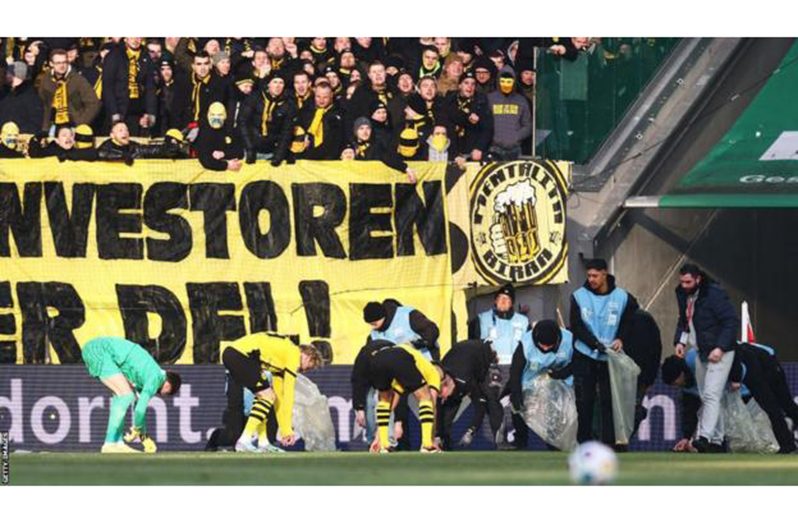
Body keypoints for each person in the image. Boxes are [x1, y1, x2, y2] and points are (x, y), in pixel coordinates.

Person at [570, 258, 639, 445]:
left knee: (610, 401)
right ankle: (584, 441)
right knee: (585, 401)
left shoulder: (623, 297)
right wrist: (593, 343)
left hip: (610, 357)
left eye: (595, 275)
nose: (591, 279)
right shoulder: (578, 296)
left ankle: (611, 441)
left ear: (605, 274)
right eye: (589, 275)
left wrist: (621, 338)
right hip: (585, 354)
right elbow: (576, 326)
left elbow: (630, 321)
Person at [673, 263, 738, 453]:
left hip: (721, 351)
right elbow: (684, 320)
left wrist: (720, 347)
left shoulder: (714, 294)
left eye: (688, 282)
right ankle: (717, 440)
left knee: (711, 394)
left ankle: (704, 437)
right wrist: (680, 341)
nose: (684, 285)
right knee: (707, 396)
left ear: (698, 279)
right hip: (701, 351)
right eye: (682, 281)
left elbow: (730, 321)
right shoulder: (683, 294)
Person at [221, 332, 324, 452]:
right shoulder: (294, 353)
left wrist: (285, 430)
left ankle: (263, 442)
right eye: (308, 367)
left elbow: (280, 398)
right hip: (240, 355)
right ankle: (244, 440)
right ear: (307, 356)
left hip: (235, 355)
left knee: (266, 397)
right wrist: (288, 430)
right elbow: (289, 395)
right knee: (267, 397)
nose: (304, 371)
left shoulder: (281, 362)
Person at [81, 336, 181, 453]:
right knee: (126, 396)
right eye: (167, 393)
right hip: (99, 351)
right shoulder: (156, 378)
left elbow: (138, 408)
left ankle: (118, 443)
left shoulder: (149, 376)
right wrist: (138, 429)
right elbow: (140, 410)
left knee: (122, 397)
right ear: (168, 385)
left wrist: (144, 438)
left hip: (97, 349)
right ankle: (109, 443)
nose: (162, 395)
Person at [351, 340, 453, 453]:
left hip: (376, 360)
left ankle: (383, 445)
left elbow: (392, 405)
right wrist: (432, 438)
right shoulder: (433, 374)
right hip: (398, 357)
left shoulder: (412, 365)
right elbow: (432, 405)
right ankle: (427, 445)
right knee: (425, 398)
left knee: (385, 400)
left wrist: (378, 437)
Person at [508, 319, 575, 449]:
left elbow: (577, 362)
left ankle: (554, 445)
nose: (544, 348)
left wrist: (561, 373)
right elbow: (515, 370)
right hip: (530, 382)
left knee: (555, 413)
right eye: (542, 345)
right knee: (517, 406)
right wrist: (515, 393)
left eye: (548, 346)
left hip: (560, 383)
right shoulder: (526, 343)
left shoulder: (570, 340)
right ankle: (521, 442)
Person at [437, 339, 499, 450]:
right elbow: (438, 413)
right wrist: (437, 436)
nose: (441, 397)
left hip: (483, 354)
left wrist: (470, 432)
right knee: (447, 406)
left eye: (441, 394)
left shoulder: (467, 381)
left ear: (447, 385)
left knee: (490, 398)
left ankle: (500, 442)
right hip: (459, 353)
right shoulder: (439, 382)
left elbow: (480, 407)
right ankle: (445, 443)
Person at [101, 38, 157, 135]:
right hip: (119, 108)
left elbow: (150, 87)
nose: (135, 40)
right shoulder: (114, 56)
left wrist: (150, 112)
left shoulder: (146, 56)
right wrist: (114, 113)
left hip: (138, 109)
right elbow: (108, 87)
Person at [239, 72, 296, 166]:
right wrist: (249, 147)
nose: (278, 86)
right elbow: (243, 122)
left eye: (281, 83)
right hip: (252, 146)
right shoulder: (254, 98)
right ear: (268, 84)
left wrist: (278, 156)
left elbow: (286, 132)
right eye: (275, 82)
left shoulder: (288, 104)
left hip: (272, 149)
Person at [38, 48, 100, 132]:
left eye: (64, 62)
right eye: (58, 63)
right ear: (51, 64)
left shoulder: (78, 80)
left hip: (73, 125)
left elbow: (94, 103)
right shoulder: (45, 79)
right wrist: (44, 127)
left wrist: (80, 123)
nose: (62, 66)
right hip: (51, 126)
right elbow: (43, 104)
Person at [469, 283, 530, 364]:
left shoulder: (523, 321)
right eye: (500, 298)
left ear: (511, 303)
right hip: (489, 368)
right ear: (495, 301)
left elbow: (529, 346)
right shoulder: (481, 319)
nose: (503, 301)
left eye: (507, 299)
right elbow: (473, 346)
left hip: (515, 369)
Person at [363, 299, 440, 361]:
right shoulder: (374, 335)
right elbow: (368, 353)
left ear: (382, 316)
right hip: (400, 370)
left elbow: (432, 331)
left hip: (425, 361)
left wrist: (415, 344)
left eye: (374, 324)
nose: (373, 328)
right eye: (371, 324)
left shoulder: (408, 315)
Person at [443, 70, 493, 162]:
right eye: (466, 83)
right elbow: (448, 123)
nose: (470, 87)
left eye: (473, 84)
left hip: (473, 152)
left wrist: (479, 148)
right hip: (452, 150)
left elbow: (488, 128)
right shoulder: (450, 100)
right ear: (459, 85)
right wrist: (467, 116)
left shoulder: (481, 102)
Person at [486, 66, 532, 160]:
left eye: (509, 82)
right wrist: (493, 137)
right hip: (493, 148)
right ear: (498, 81)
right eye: (503, 81)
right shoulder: (489, 99)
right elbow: (484, 123)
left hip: (515, 149)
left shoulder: (521, 100)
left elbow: (528, 125)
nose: (506, 85)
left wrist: (516, 137)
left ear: (514, 82)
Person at [172, 51, 226, 129]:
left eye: (206, 64)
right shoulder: (184, 82)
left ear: (210, 65)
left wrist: (198, 126)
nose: (203, 68)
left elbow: (215, 111)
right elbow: (176, 109)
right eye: (199, 64)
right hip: (184, 127)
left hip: (208, 128)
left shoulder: (219, 84)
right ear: (193, 66)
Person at [294, 82, 343, 160]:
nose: (321, 100)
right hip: (307, 157)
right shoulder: (305, 112)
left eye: (325, 97)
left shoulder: (340, 114)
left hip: (331, 159)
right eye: (318, 96)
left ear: (331, 95)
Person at [195, 101, 243, 171]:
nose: (216, 118)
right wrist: (226, 165)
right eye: (213, 115)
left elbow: (239, 151)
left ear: (225, 115)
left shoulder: (229, 130)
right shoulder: (204, 132)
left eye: (220, 115)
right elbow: (205, 159)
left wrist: (224, 154)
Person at [0, 61, 43, 134]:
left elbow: (36, 122)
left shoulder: (31, 96)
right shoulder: (4, 93)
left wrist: (17, 132)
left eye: (8, 72)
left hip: (21, 138)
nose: (6, 75)